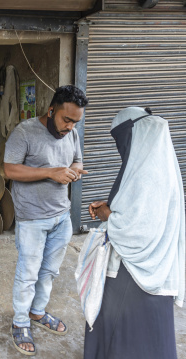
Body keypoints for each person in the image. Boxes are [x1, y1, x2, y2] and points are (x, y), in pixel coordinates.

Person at [85, 107, 184, 359]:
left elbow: (135, 230)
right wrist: (109, 208)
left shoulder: (147, 174)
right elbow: (136, 210)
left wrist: (109, 216)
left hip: (133, 274)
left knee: (121, 333)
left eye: (121, 141)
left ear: (133, 136)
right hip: (157, 267)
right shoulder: (160, 166)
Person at [3, 85, 89, 356]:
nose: (70, 127)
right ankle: (20, 322)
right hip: (32, 219)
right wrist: (51, 173)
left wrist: (74, 171)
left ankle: (37, 312)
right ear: (51, 110)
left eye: (76, 121)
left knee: (49, 271)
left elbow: (76, 160)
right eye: (66, 119)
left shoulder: (71, 133)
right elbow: (10, 169)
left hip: (61, 217)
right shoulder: (25, 131)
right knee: (28, 274)